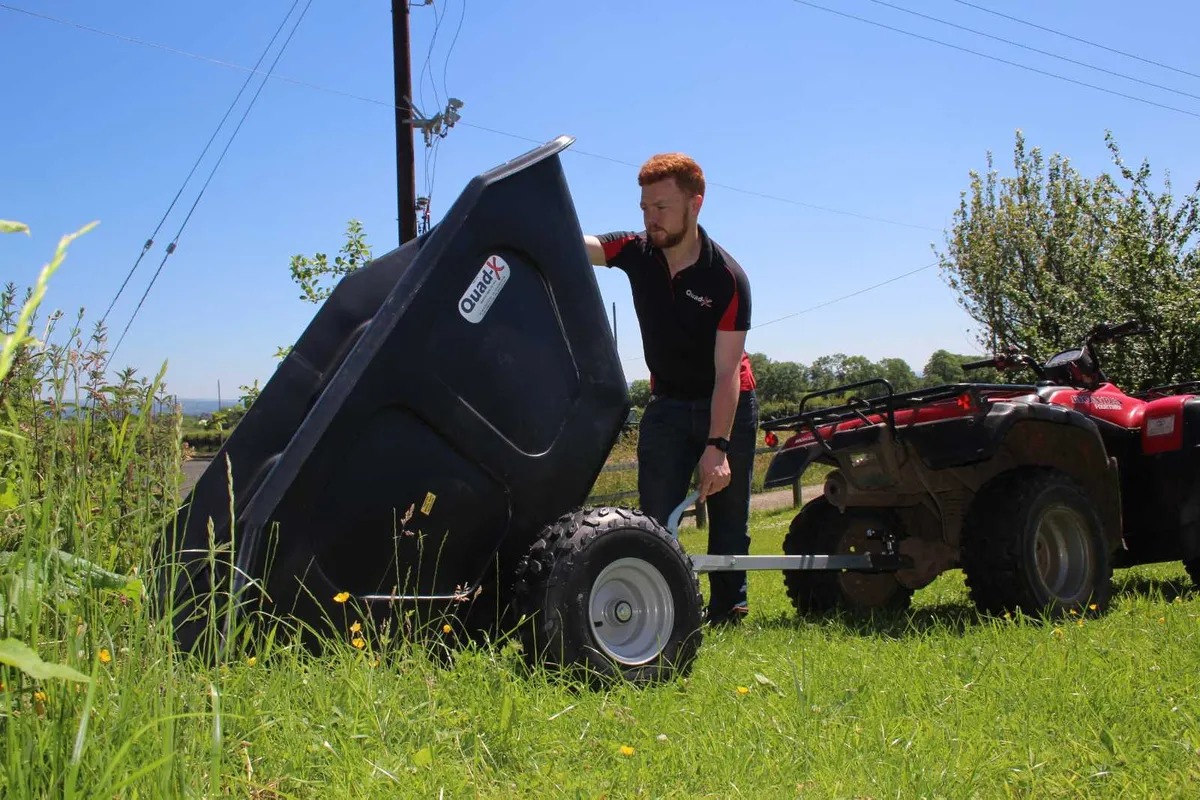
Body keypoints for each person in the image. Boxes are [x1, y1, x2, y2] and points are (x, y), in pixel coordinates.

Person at [584, 152, 759, 626]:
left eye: (661, 207)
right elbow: (578, 246)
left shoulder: (727, 279)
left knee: (728, 522)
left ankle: (730, 610)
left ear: (695, 204)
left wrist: (717, 447)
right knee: (655, 517)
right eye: (644, 207)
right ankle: (659, 609)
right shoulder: (637, 252)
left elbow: (727, 374)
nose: (650, 218)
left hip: (727, 403)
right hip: (666, 402)